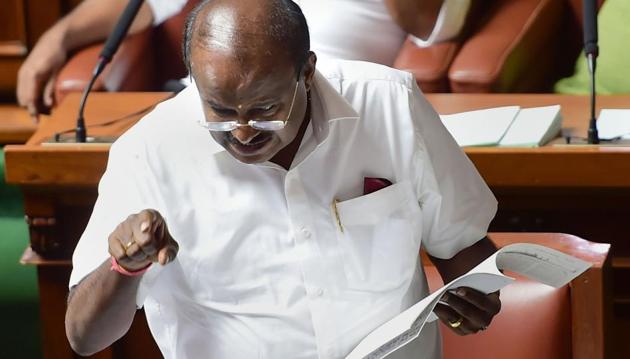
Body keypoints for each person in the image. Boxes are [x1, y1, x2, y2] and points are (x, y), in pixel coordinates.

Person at [65, 0, 499, 358]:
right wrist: (124, 266)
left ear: (307, 73)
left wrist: (479, 299)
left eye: (265, 109)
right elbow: (84, 337)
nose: (242, 130)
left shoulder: (389, 106)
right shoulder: (149, 151)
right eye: (219, 109)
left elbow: (465, 250)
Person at [16, 0, 471, 118]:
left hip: (322, 102)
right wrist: (58, 37)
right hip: (209, 103)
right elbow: (146, 7)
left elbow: (432, 24)